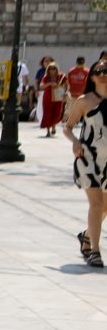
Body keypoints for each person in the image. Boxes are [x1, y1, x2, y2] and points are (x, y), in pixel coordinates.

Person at [64, 60, 107, 268]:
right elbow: (68, 127)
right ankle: (95, 251)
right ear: (92, 76)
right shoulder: (83, 101)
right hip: (88, 158)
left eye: (106, 71)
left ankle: (87, 236)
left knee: (104, 208)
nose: (103, 75)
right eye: (99, 71)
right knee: (96, 204)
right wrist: (75, 142)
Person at [39, 61, 65, 137]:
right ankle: (48, 131)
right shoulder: (46, 77)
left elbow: (66, 84)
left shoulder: (60, 76)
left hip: (58, 97)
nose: (52, 70)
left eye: (54, 69)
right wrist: (50, 83)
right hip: (48, 97)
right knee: (47, 113)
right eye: (50, 69)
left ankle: (53, 127)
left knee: (57, 113)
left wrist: (66, 92)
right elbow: (41, 86)